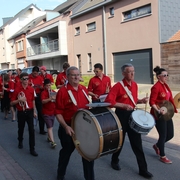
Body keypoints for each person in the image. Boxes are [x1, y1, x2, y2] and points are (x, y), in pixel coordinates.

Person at [105, 63, 153, 179]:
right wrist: (123, 105)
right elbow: (109, 101)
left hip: (132, 115)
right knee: (120, 141)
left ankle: (143, 169)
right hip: (121, 115)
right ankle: (114, 160)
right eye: (129, 71)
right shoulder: (118, 86)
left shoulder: (135, 85)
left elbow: (133, 99)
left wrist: (140, 101)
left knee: (137, 144)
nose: (132, 73)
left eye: (133, 71)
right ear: (123, 73)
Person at [55, 66, 94, 180]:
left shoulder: (83, 89)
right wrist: (65, 126)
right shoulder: (63, 91)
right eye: (73, 75)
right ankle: (60, 174)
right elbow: (58, 112)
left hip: (83, 127)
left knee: (87, 154)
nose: (76, 77)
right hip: (68, 127)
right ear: (67, 77)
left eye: (78, 74)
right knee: (66, 153)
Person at [149, 66, 177, 164]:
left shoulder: (165, 85)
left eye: (167, 75)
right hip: (159, 115)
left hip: (167, 113)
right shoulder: (156, 87)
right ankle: (163, 156)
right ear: (158, 77)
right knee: (163, 135)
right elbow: (151, 102)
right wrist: (158, 110)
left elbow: (169, 99)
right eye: (164, 75)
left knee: (171, 134)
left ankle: (157, 146)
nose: (166, 77)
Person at [10, 72, 38, 156]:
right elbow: (11, 103)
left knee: (31, 130)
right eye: (24, 79)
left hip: (29, 111)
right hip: (21, 112)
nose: (26, 80)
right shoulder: (17, 90)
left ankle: (32, 149)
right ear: (21, 80)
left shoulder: (31, 89)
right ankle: (20, 141)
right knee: (21, 128)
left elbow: (33, 100)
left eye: (27, 78)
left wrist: (34, 111)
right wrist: (19, 100)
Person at [29, 66, 46, 135]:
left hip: (38, 95)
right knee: (31, 111)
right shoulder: (28, 77)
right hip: (30, 95)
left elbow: (42, 86)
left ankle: (42, 129)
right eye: (34, 73)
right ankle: (31, 126)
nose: (36, 75)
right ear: (32, 72)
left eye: (37, 73)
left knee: (41, 112)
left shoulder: (40, 77)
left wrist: (41, 87)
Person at [41, 78, 57, 148]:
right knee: (50, 127)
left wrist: (55, 99)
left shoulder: (53, 92)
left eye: (49, 85)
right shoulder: (43, 93)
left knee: (51, 126)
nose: (48, 87)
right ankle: (53, 142)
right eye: (47, 86)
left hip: (52, 112)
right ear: (44, 86)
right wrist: (50, 99)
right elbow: (43, 101)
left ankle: (49, 137)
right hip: (46, 112)